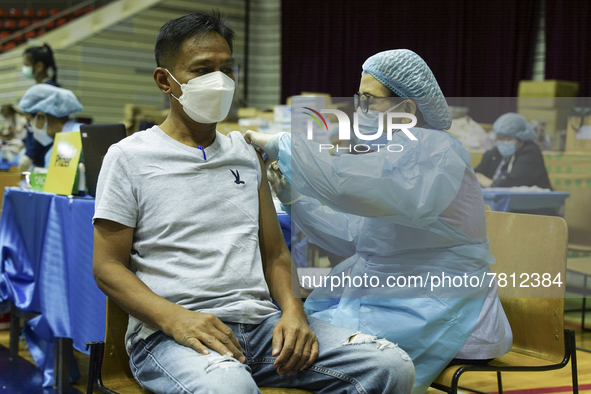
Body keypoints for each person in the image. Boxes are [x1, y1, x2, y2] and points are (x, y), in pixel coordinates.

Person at [92, 12, 414, 394]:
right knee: (229, 388)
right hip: (174, 336)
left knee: (391, 366)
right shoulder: (129, 157)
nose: (219, 81)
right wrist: (175, 319)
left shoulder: (245, 154)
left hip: (262, 328)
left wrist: (294, 312)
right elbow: (107, 266)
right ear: (166, 80)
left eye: (226, 68)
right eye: (202, 69)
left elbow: (275, 252)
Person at [246, 49, 513, 394]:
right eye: (359, 99)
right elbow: (352, 238)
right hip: (391, 296)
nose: (361, 110)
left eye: (370, 100)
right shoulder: (393, 153)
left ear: (406, 109)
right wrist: (295, 199)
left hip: (441, 305)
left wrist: (284, 145)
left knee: (318, 356)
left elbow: (347, 183)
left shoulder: (438, 152)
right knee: (301, 345)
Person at [474, 112, 552, 189]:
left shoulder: (531, 153)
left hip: (533, 200)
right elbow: (476, 175)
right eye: (499, 138)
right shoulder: (495, 153)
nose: (503, 142)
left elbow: (514, 182)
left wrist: (490, 183)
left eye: (507, 138)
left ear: (521, 138)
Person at [18, 84, 83, 168]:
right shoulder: (57, 146)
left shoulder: (78, 137)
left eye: (30, 122)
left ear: (41, 118)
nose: (31, 128)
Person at [19, 44, 61, 171]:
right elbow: (32, 126)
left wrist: (30, 154)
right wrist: (23, 143)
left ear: (39, 66)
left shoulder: (47, 90)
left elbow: (43, 127)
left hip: (44, 154)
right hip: (37, 154)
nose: (24, 68)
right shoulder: (39, 89)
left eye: (26, 64)